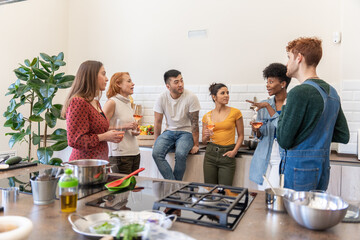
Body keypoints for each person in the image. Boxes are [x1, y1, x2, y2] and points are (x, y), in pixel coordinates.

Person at [277, 37, 350, 191]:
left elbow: (284, 140)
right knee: (313, 214)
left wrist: (284, 106)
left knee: (295, 215)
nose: (286, 64)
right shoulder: (332, 92)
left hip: (299, 170)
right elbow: (343, 135)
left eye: (289, 57)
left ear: (299, 58)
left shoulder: (298, 92)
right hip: (322, 170)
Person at [62, 60, 123, 161]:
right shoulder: (78, 102)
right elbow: (75, 140)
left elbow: (94, 131)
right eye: (103, 74)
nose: (107, 79)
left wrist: (110, 135)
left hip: (98, 163)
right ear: (92, 76)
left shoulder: (95, 102)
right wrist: (104, 137)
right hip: (84, 166)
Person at [246, 63, 291, 190]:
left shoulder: (291, 105)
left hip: (282, 156)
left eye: (271, 82)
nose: (267, 85)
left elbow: (284, 130)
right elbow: (260, 136)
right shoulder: (263, 105)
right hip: (264, 154)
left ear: (283, 84)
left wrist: (268, 107)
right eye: (267, 82)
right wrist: (256, 130)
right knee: (262, 193)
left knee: (273, 191)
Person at [152, 69, 200, 181]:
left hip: (186, 133)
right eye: (176, 82)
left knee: (181, 154)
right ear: (168, 86)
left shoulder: (191, 97)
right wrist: (156, 141)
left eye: (181, 81)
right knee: (156, 153)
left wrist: (196, 144)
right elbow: (157, 121)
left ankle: (174, 187)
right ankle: (175, 185)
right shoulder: (161, 98)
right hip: (169, 131)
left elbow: (194, 123)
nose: (180, 84)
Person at [202, 83, 244, 186]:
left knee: (225, 190)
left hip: (227, 154)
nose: (226, 95)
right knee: (210, 189)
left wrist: (234, 151)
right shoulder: (207, 116)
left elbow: (241, 135)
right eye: (222, 93)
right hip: (210, 155)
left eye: (227, 93)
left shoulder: (236, 113)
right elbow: (204, 141)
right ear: (214, 97)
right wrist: (206, 136)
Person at [103, 72, 140, 174]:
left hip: (134, 152)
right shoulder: (112, 102)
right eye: (129, 81)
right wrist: (125, 126)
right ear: (118, 84)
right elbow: (102, 128)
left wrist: (134, 130)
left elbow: (126, 128)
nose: (133, 84)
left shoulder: (127, 102)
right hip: (120, 155)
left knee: (133, 187)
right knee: (123, 188)